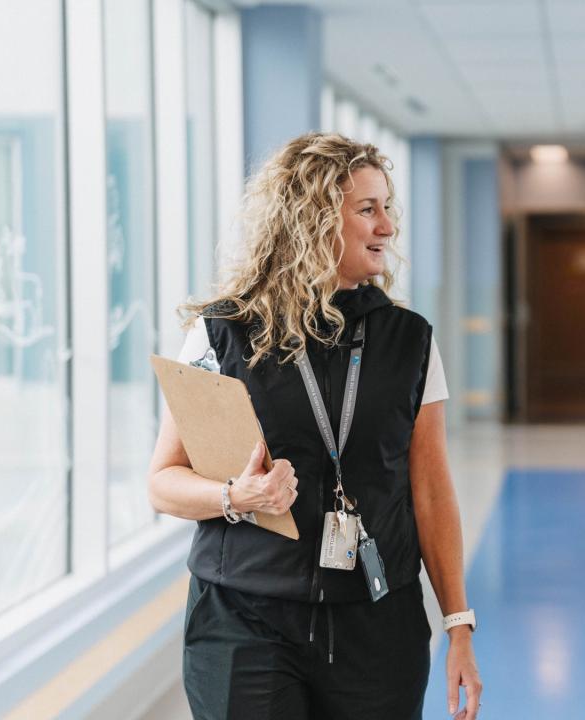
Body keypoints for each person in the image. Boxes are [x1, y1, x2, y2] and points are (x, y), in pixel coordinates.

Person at [147, 132, 482, 720]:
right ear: (312, 219)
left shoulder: (409, 340)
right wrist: (236, 496)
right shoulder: (221, 334)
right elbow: (164, 482)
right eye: (368, 209)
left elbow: (430, 490)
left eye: (387, 208)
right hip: (244, 623)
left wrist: (458, 624)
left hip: (377, 625)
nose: (388, 227)